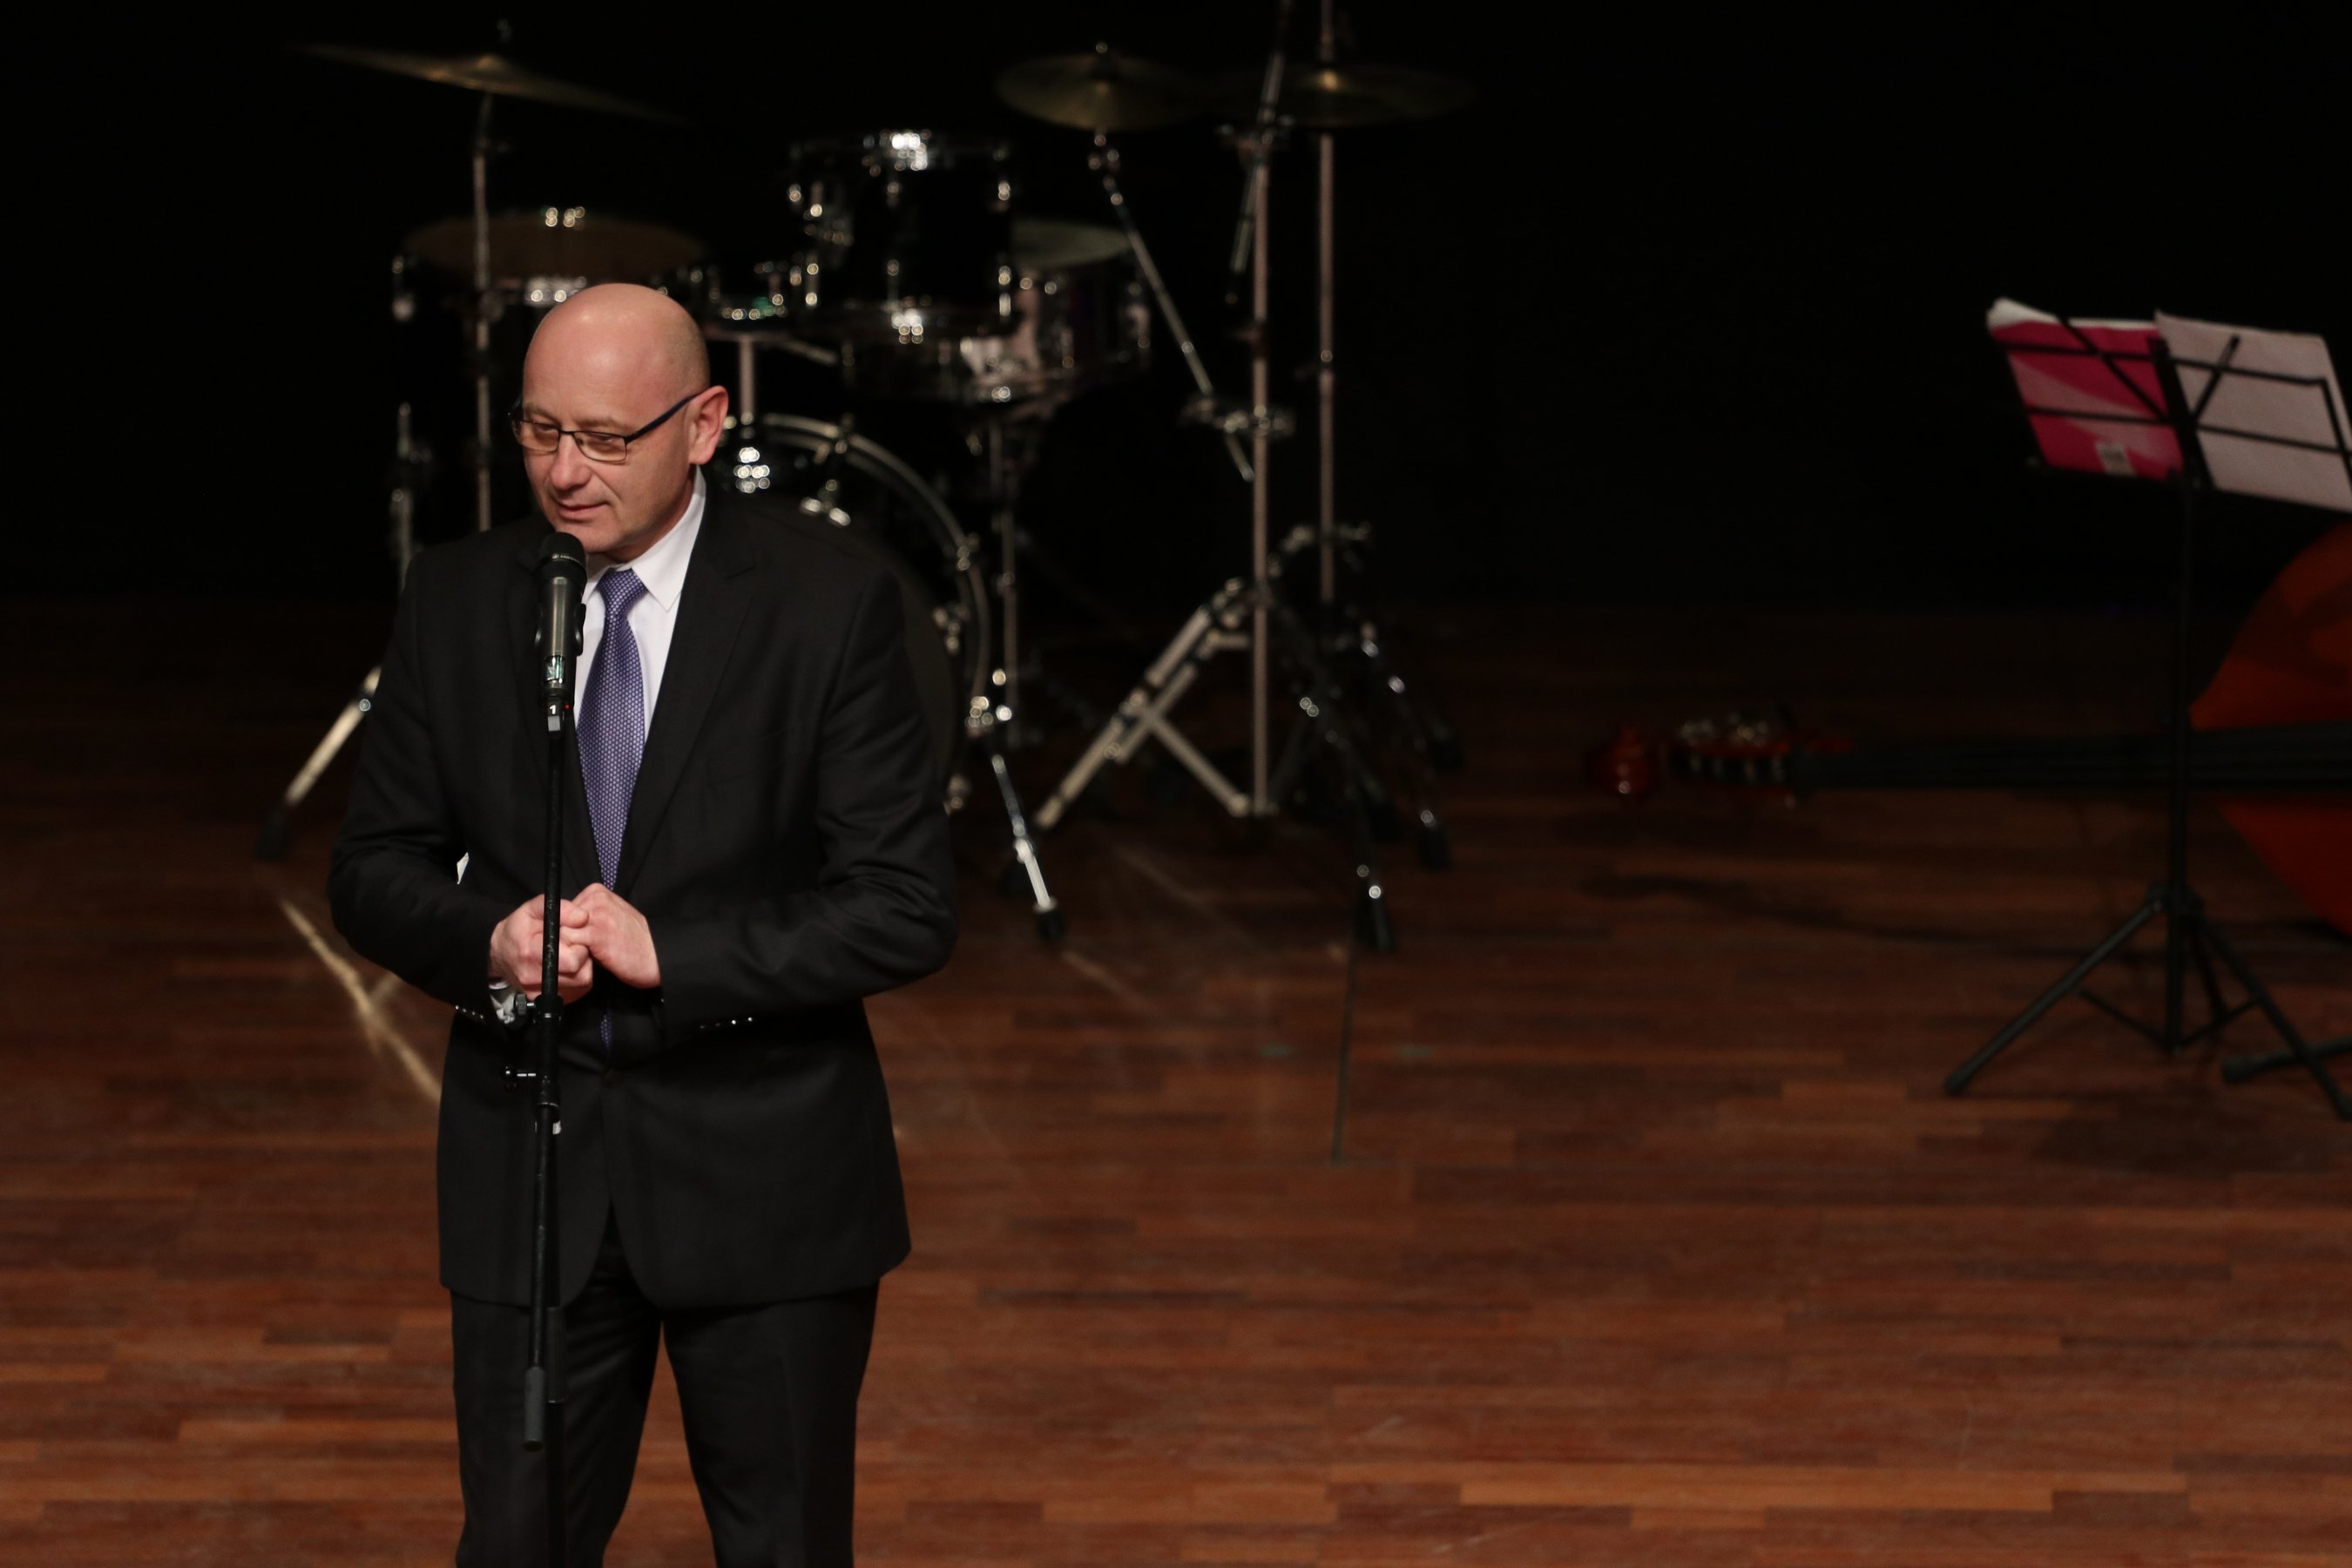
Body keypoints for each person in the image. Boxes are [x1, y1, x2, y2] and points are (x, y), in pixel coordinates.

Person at [329, 283, 956, 1566]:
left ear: (705, 423)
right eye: (539, 431)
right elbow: (373, 869)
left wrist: (676, 955)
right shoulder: (458, 597)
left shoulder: (827, 604)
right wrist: (490, 941)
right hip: (533, 1177)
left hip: (767, 1180)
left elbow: (903, 907)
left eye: (607, 438)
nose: (565, 472)